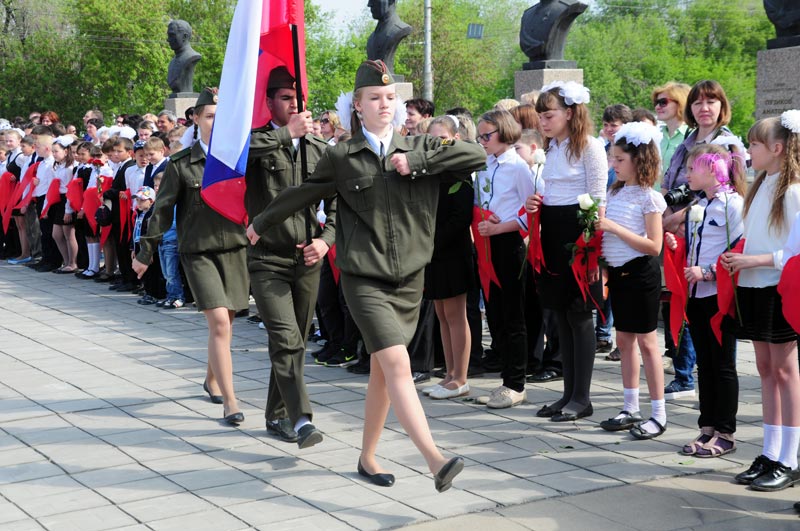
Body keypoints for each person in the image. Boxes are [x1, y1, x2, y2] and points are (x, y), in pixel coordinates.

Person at [249, 59, 485, 491]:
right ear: (357, 106)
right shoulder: (341, 156)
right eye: (374, 98)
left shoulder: (421, 148)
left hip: (410, 280)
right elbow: (302, 193)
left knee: (382, 369)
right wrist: (261, 222)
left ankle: (368, 456)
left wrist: (416, 162)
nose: (384, 105)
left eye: (390, 98)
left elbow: (477, 154)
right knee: (396, 361)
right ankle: (435, 459)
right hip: (364, 277)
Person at [133, 88, 248, 426]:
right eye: (210, 115)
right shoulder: (182, 164)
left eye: (222, 116)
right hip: (199, 253)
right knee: (219, 323)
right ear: (195, 119)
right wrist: (145, 251)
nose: (216, 122)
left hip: (236, 250)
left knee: (227, 323)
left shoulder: (238, 160)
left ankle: (212, 378)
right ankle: (231, 400)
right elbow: (162, 210)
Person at [245, 66, 335, 448]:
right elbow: (231, 156)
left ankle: (278, 413)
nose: (294, 104)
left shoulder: (319, 151)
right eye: (284, 98)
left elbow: (337, 204)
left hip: (307, 260)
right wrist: (287, 134)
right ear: (269, 103)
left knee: (292, 342)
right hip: (267, 259)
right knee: (287, 340)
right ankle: (301, 420)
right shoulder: (258, 142)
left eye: (297, 99)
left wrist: (327, 240)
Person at [722, 111, 800, 492]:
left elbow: (794, 251)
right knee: (766, 370)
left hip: (776, 288)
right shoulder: (759, 186)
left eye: (753, 144)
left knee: (785, 372)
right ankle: (770, 452)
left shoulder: (794, 190)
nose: (747, 149)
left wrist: (752, 260)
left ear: (778, 149)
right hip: (753, 286)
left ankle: (790, 456)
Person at [527, 80, 608, 422]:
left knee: (578, 315)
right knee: (559, 314)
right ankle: (567, 394)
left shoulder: (589, 146)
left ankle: (582, 397)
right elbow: (553, 190)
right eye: (541, 116)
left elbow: (597, 198)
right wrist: (537, 203)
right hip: (553, 229)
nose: (543, 121)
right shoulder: (552, 148)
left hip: (578, 233)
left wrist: (590, 248)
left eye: (549, 114)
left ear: (570, 113)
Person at [668, 143, 745, 457]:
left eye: (692, 169)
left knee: (723, 363)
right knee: (705, 363)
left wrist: (709, 272)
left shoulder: (733, 205)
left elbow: (740, 249)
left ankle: (726, 432)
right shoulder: (702, 203)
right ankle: (707, 427)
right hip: (696, 296)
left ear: (712, 169)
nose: (687, 174)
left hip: (719, 296)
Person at [662, 80, 736, 402]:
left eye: (711, 102)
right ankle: (686, 374)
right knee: (681, 308)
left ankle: (711, 400)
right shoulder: (686, 142)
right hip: (682, 235)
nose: (703, 108)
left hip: (709, 237)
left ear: (722, 106)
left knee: (715, 341)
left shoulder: (729, 144)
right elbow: (669, 182)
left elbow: (727, 191)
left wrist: (678, 218)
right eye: (697, 102)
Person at [597, 122, 667, 439]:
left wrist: (611, 227)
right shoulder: (616, 191)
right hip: (619, 275)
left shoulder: (649, 198)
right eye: (612, 158)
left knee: (648, 344)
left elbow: (654, 245)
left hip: (641, 273)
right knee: (624, 342)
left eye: (619, 159)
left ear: (639, 160)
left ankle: (659, 412)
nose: (614, 164)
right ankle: (630, 406)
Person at [472, 109, 536, 409]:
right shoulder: (485, 164)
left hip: (509, 244)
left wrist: (502, 225)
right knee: (495, 312)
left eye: (487, 135)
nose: (482, 141)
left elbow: (531, 209)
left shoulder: (519, 167)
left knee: (514, 316)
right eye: (480, 136)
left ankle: (516, 383)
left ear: (504, 133)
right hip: (486, 242)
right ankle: (504, 378)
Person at [420, 116, 475, 400]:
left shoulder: (461, 173)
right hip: (433, 253)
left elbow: (460, 218)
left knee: (455, 314)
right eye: (432, 139)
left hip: (452, 251)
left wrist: (431, 242)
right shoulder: (434, 172)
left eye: (442, 138)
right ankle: (449, 374)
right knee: (441, 314)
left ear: (455, 138)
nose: (437, 143)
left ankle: (461, 377)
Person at [597, 104, 633, 361]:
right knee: (604, 283)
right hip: (606, 221)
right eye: (607, 124)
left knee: (620, 288)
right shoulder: (603, 150)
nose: (610, 129)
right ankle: (603, 332)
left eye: (615, 125)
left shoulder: (630, 151)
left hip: (624, 224)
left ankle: (622, 340)